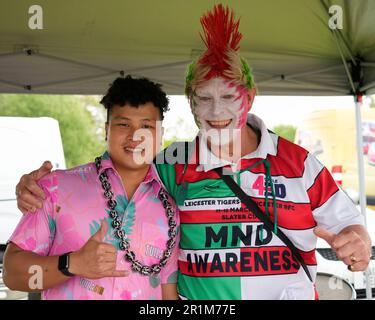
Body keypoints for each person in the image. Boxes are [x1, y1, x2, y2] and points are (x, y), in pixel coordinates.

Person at [14, 5, 372, 300]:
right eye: (204, 98)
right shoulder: (172, 163)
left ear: (249, 97)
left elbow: (348, 224)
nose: (216, 112)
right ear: (190, 102)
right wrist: (36, 188)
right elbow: (117, 167)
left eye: (228, 97)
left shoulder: (299, 163)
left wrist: (358, 240)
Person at [3, 76, 179, 300]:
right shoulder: (55, 187)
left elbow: (168, 293)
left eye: (146, 126)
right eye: (123, 124)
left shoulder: (171, 206)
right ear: (107, 130)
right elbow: (12, 274)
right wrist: (71, 263)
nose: (136, 137)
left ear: (160, 135)